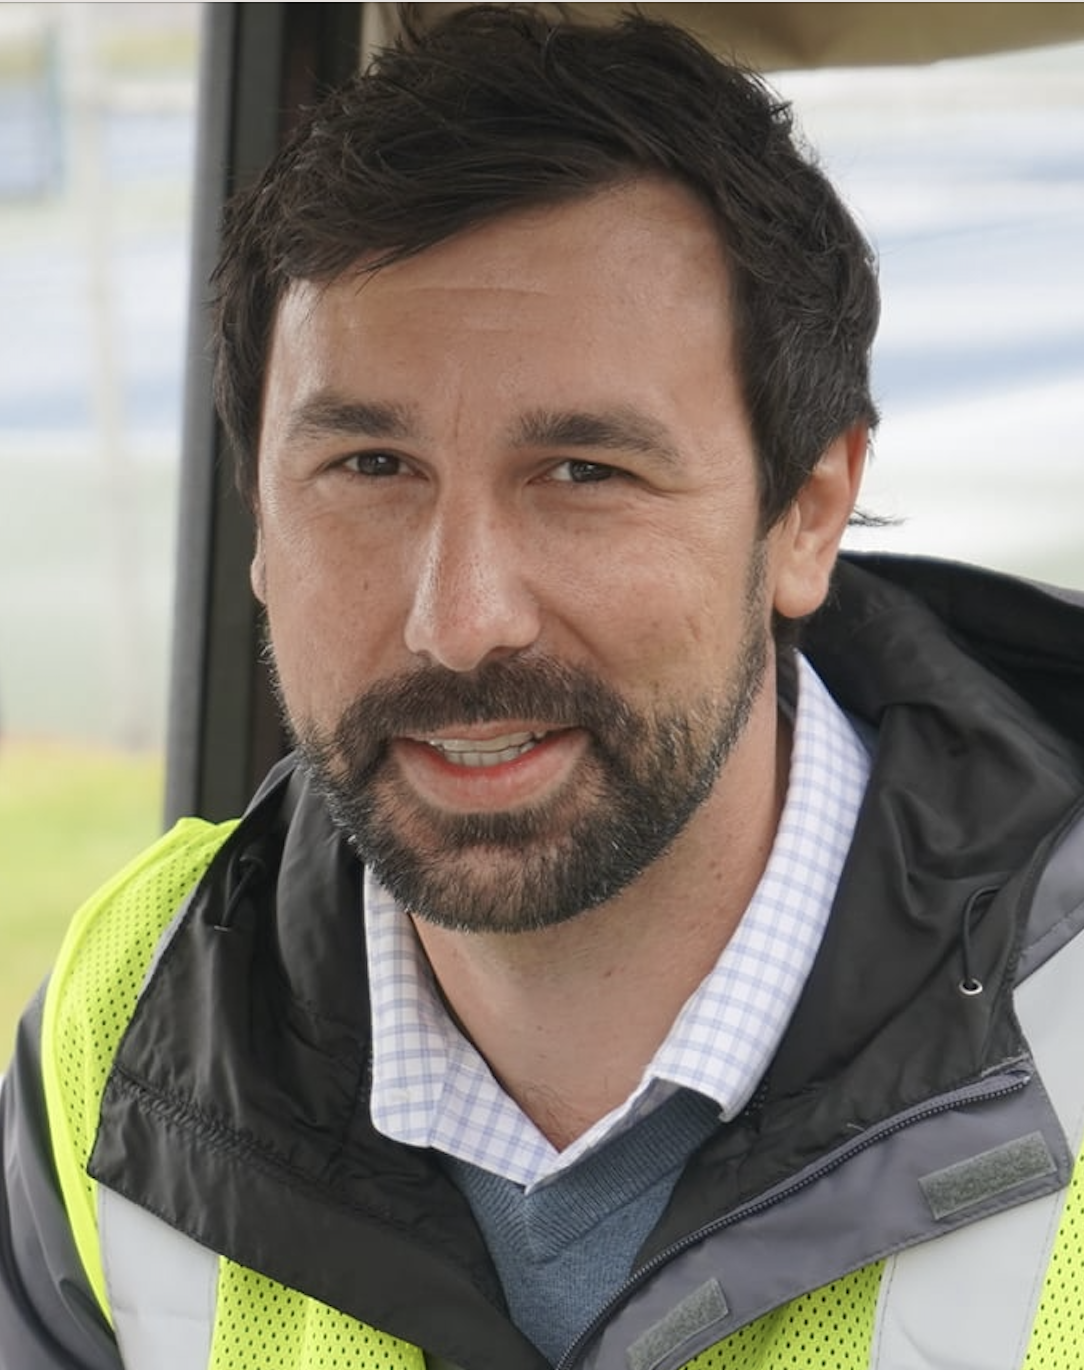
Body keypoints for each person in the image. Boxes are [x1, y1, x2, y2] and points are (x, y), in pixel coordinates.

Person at [2, 7, 1084, 1368]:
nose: (459, 623)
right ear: (259, 518)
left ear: (806, 512)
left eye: (584, 473)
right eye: (370, 469)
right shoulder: (128, 1022)